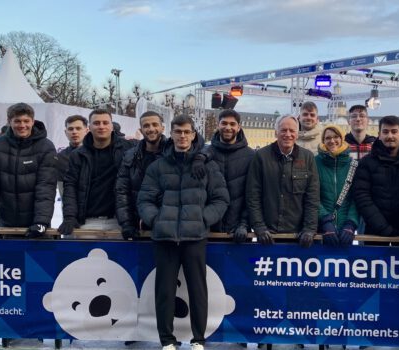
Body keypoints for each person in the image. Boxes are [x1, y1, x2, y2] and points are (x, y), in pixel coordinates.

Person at [137, 115, 229, 350]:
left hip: (195, 237)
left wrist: (202, 219)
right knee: (165, 292)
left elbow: (220, 199)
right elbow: (145, 198)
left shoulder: (207, 165)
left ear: (193, 134)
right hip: (165, 238)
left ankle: (198, 338)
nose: (182, 136)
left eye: (187, 132)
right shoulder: (158, 166)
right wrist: (156, 220)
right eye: (178, 132)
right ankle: (167, 339)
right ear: (172, 133)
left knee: (198, 290)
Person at [0, 103, 58, 238]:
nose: (22, 125)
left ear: (33, 121)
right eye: (17, 121)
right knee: (8, 258)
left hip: (36, 224)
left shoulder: (46, 146)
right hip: (8, 222)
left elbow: (46, 187)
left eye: (26, 121)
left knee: (37, 258)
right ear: (9, 122)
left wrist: (41, 221)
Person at [246, 114, 319, 247]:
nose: (288, 134)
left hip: (298, 235)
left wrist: (309, 229)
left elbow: (312, 198)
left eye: (292, 131)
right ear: (276, 133)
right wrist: (259, 226)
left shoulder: (308, 158)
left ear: (297, 134)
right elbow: (253, 196)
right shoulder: (261, 157)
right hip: (267, 235)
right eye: (283, 130)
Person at [60, 109, 135, 238]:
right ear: (89, 127)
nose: (101, 126)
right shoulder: (77, 155)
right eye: (96, 123)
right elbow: (70, 186)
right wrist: (69, 217)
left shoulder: (128, 149)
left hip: (119, 222)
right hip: (87, 222)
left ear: (112, 126)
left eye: (105, 123)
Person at [193, 109, 255, 243]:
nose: (228, 127)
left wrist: (244, 224)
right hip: (208, 229)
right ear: (218, 125)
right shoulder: (205, 153)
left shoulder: (251, 156)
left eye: (232, 124)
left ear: (239, 127)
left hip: (238, 232)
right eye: (224, 123)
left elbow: (252, 195)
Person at [353, 115, 399, 238]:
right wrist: (384, 229)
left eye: (394, 132)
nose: (390, 136)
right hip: (375, 232)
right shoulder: (366, 163)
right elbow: (362, 197)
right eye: (385, 132)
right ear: (379, 134)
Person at [115, 111, 166, 240]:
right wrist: (126, 223)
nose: (151, 129)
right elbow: (122, 191)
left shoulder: (173, 152)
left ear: (162, 128)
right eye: (146, 126)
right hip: (139, 226)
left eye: (155, 124)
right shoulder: (130, 156)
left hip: (167, 225)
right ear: (141, 129)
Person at [315, 125, 359, 246]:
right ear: (323, 140)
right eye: (328, 138)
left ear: (342, 139)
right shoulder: (315, 162)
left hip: (345, 231)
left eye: (336, 137)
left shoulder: (353, 165)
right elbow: (312, 195)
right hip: (321, 229)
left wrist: (351, 223)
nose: (332, 141)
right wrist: (324, 220)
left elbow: (356, 198)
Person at [56, 115, 88, 196]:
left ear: (86, 131)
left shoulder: (97, 153)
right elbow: (62, 189)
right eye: (70, 129)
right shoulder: (60, 158)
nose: (74, 132)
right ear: (65, 132)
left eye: (78, 128)